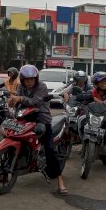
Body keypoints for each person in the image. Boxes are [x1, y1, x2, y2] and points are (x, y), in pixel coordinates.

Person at [7, 65, 68, 194]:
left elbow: (35, 101)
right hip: (25, 117)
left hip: (42, 119)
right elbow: (17, 98)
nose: (29, 81)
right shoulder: (20, 87)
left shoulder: (42, 86)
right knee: (11, 135)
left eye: (32, 79)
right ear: (22, 79)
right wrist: (12, 101)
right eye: (27, 79)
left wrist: (20, 98)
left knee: (49, 149)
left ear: (36, 79)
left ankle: (60, 180)